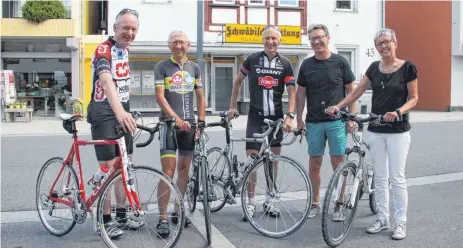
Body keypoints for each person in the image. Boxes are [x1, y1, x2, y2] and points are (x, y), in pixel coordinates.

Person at [326, 28, 418, 240]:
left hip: (398, 130)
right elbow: (357, 92)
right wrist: (338, 107)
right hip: (376, 129)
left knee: (397, 178)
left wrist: (398, 112)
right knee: (380, 177)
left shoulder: (407, 68)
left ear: (395, 43)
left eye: (387, 42)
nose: (383, 47)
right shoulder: (374, 68)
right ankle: (383, 218)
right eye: (379, 44)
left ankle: (400, 223)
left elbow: (414, 98)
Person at [86, 8, 145, 239]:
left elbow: (122, 85)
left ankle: (122, 214)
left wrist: (127, 110)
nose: (129, 32)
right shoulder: (104, 50)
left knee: (126, 164)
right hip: (103, 111)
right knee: (110, 168)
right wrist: (120, 112)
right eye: (125, 28)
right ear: (115, 28)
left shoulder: (125, 50)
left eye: (133, 29)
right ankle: (105, 219)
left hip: (122, 109)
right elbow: (107, 82)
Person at [228, 25, 296, 220]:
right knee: (252, 161)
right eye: (267, 38)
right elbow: (238, 81)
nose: (270, 42)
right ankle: (250, 203)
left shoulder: (286, 63)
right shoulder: (252, 59)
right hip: (256, 117)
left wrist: (290, 115)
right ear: (262, 40)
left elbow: (292, 91)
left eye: (274, 38)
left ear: (280, 41)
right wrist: (233, 106)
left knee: (272, 162)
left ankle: (270, 199)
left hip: (276, 118)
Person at [295, 23, 356, 219]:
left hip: (337, 121)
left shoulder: (340, 62)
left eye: (320, 37)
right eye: (312, 39)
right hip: (313, 122)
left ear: (328, 38)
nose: (316, 41)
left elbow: (351, 91)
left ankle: (339, 203)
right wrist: (299, 119)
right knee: (314, 163)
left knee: (338, 163)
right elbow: (301, 93)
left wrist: (351, 117)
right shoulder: (306, 65)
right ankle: (315, 203)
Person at [154, 30, 206, 237]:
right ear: (169, 45)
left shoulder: (194, 68)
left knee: (184, 169)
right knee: (168, 172)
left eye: (182, 42)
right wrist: (175, 118)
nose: (179, 46)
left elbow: (201, 98)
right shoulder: (161, 66)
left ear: (188, 45)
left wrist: (200, 123)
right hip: (168, 124)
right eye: (175, 42)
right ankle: (163, 218)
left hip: (190, 126)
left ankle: (177, 210)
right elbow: (159, 96)